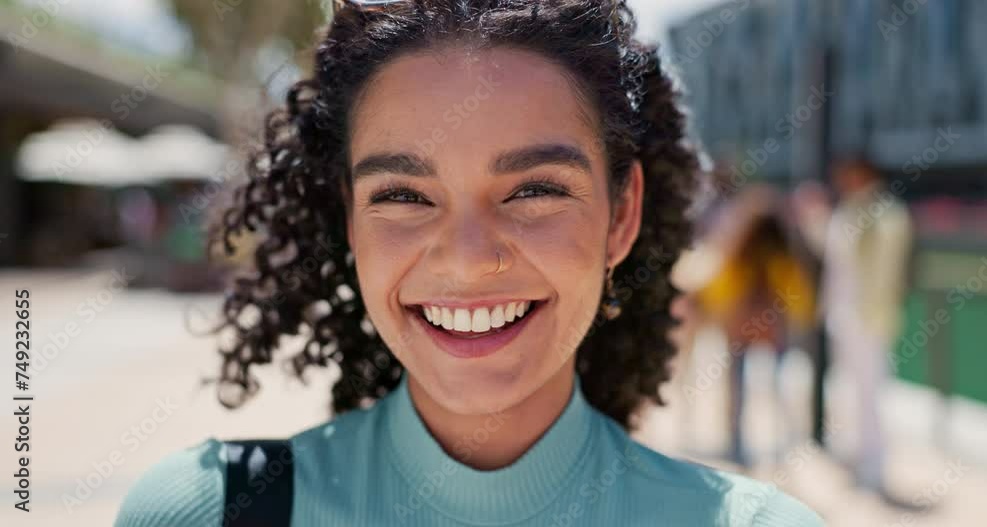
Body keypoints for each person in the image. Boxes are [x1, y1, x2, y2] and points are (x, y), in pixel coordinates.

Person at [114, 1, 823, 525]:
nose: (468, 257)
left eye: (535, 189)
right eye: (401, 194)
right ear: (349, 220)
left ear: (621, 215)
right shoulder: (206, 513)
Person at [694, 189, 817, 468]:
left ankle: (737, 444)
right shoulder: (781, 256)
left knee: (737, 386)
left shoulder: (740, 254)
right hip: (775, 327)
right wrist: (802, 318)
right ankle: (782, 443)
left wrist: (718, 316)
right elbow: (797, 292)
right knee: (778, 384)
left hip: (740, 326)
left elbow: (721, 289)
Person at [822, 156, 913, 492]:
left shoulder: (884, 213)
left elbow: (885, 267)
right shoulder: (850, 209)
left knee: (869, 392)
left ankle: (874, 465)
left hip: (867, 318)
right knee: (850, 389)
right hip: (844, 316)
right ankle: (859, 458)